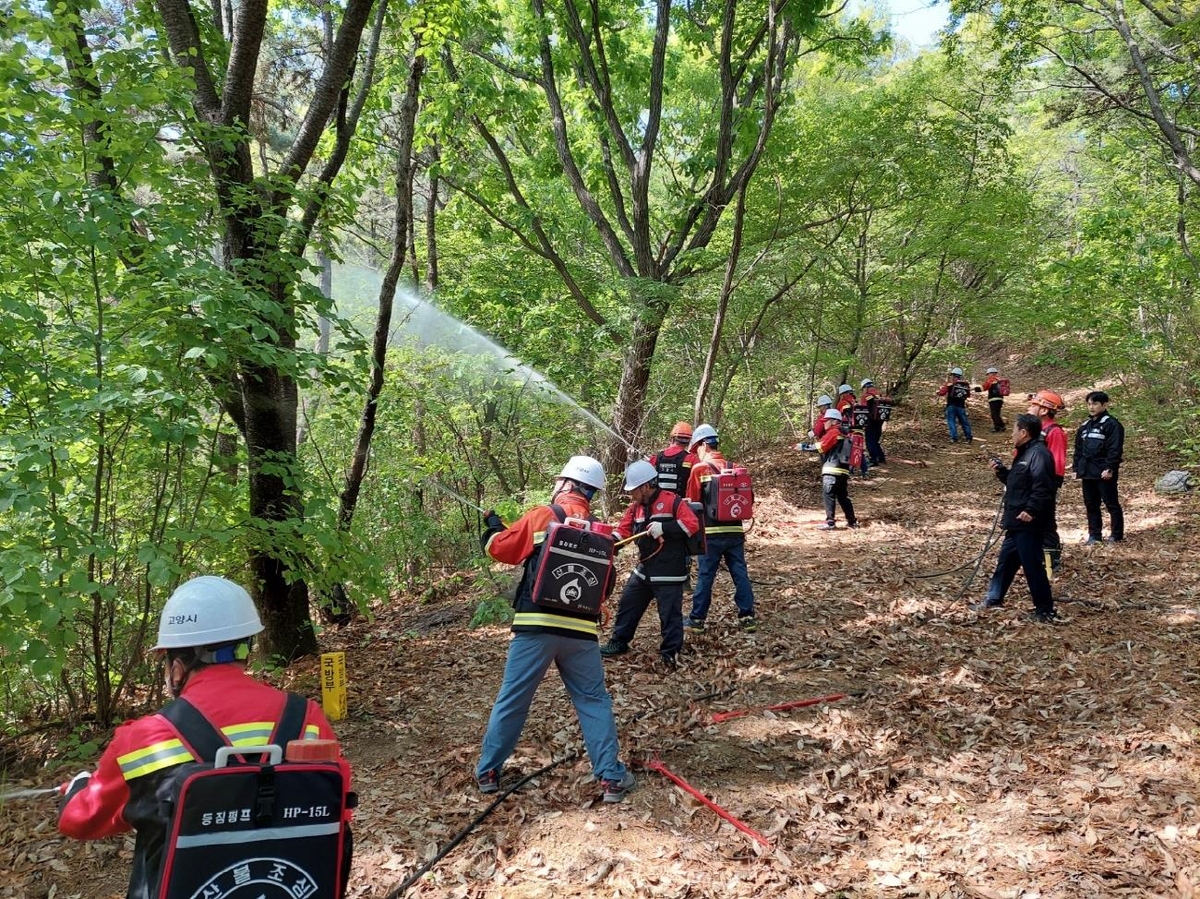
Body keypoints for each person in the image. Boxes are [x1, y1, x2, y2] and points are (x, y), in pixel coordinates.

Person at [58, 576, 351, 899]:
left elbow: (80, 821)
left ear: (178, 667)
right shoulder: (306, 719)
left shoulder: (143, 740)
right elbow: (336, 813)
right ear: (246, 650)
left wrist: (78, 788)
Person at [477, 456, 635, 803]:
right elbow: (605, 586)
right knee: (593, 700)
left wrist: (491, 525)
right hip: (580, 632)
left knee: (513, 699)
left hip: (535, 627)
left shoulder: (544, 515)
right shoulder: (601, 530)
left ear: (567, 483)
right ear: (591, 492)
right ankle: (610, 779)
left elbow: (499, 549)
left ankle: (489, 771)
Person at [601, 460, 700, 668]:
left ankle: (670, 653)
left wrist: (665, 527)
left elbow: (692, 525)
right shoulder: (635, 508)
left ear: (646, 486)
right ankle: (619, 641)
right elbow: (622, 531)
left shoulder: (672, 502)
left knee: (669, 614)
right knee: (628, 602)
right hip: (645, 567)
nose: (631, 495)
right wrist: (607, 543)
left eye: (634, 490)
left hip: (669, 569)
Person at [970, 414, 1058, 622]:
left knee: (1033, 566)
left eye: (1014, 430)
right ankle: (994, 598)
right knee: (1006, 562)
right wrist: (1001, 471)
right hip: (1016, 521)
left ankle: (1045, 610)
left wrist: (1031, 510)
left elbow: (1044, 488)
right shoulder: (1025, 453)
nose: (1012, 434)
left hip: (1028, 522)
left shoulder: (1039, 454)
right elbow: (1016, 482)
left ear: (1024, 433)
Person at [683, 424, 758, 632]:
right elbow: (748, 500)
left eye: (696, 447)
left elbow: (692, 504)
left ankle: (697, 620)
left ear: (704, 445)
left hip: (710, 535)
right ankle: (748, 616)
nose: (695, 452)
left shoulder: (700, 469)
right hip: (735, 532)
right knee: (740, 572)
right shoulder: (736, 467)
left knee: (706, 576)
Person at [1073, 390, 1125, 544]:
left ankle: (1116, 534)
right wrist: (1076, 468)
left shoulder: (1112, 424)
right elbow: (1078, 449)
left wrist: (1110, 468)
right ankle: (1094, 535)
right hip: (1087, 471)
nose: (1091, 407)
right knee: (1091, 504)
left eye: (1095, 403)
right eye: (1089, 404)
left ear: (1104, 404)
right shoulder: (1085, 426)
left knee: (1111, 503)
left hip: (1104, 471)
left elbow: (1115, 449)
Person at [1028, 389, 1067, 572]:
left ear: (1044, 410)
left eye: (1034, 405)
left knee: (1046, 523)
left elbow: (1057, 462)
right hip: (1027, 484)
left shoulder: (1054, 432)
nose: (1030, 407)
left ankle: (1051, 565)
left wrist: (1047, 487)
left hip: (1043, 485)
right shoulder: (1033, 431)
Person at [816, 408, 858, 530]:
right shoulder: (845, 433)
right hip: (843, 471)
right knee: (843, 497)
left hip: (831, 470)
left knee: (828, 495)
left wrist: (802, 447)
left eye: (826, 420)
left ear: (834, 421)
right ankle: (852, 521)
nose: (824, 423)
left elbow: (820, 447)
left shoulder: (833, 432)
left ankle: (830, 522)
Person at [649, 421, 695, 497]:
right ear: (688, 441)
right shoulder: (691, 459)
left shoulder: (655, 458)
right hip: (680, 505)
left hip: (657, 504)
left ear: (672, 438)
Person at [937, 367, 973, 443]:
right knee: (964, 422)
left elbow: (942, 393)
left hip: (951, 406)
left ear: (953, 375)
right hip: (961, 406)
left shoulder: (950, 384)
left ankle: (954, 438)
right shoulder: (965, 385)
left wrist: (938, 392)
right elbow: (968, 395)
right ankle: (968, 437)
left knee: (951, 421)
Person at [860, 378, 886, 465]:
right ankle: (881, 457)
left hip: (870, 421)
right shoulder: (879, 393)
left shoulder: (866, 396)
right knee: (875, 439)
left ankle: (873, 459)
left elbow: (862, 409)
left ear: (865, 387)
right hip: (880, 420)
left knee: (870, 440)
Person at [980, 367, 1007, 432]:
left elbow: (983, 388)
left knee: (994, 414)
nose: (988, 376)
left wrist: (973, 389)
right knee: (997, 413)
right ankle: (1000, 426)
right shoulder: (1000, 380)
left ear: (991, 373)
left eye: (988, 374)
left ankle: (998, 427)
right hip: (1000, 399)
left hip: (993, 399)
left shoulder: (991, 380)